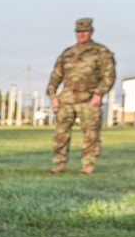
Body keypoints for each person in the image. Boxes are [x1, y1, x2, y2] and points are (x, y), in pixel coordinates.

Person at [47, 18, 116, 174]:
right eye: (79, 32)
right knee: (60, 134)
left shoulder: (101, 52)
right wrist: (53, 95)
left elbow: (109, 75)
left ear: (91, 32)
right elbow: (56, 75)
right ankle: (59, 163)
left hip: (89, 100)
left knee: (91, 134)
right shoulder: (68, 53)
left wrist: (99, 93)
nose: (82, 35)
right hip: (67, 100)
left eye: (85, 32)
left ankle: (88, 165)